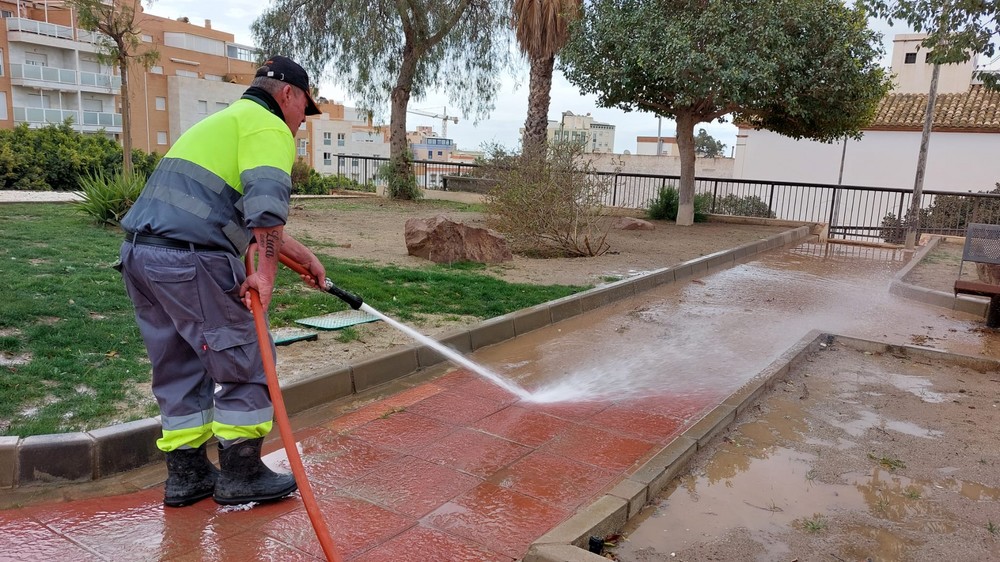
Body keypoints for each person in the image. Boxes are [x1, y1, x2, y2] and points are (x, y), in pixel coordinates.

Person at [117, 55, 326, 507]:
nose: (300, 125)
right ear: (288, 95)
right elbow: (267, 208)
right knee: (247, 355)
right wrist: (265, 276)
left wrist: (302, 256)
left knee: (177, 365)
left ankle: (187, 475)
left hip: (142, 255)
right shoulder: (268, 126)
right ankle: (241, 473)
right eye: (304, 112)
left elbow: (245, 217)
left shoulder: (224, 122)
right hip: (191, 259)